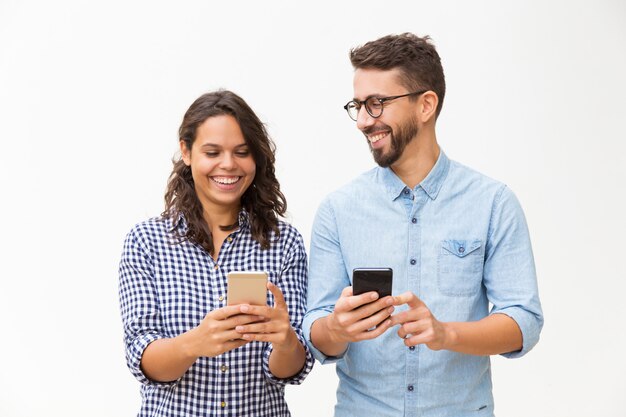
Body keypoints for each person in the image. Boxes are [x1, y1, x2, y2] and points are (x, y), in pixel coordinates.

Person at [303, 33, 543, 417]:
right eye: (358, 106)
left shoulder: (492, 202)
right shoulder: (337, 210)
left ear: (426, 105)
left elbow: (523, 321)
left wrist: (446, 333)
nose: (364, 121)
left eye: (377, 103)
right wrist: (336, 327)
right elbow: (315, 332)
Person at [119, 90, 313, 417]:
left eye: (242, 152)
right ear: (187, 151)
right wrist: (196, 342)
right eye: (212, 152)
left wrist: (285, 341)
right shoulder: (146, 241)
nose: (228, 164)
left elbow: (290, 371)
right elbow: (143, 359)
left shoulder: (284, 242)